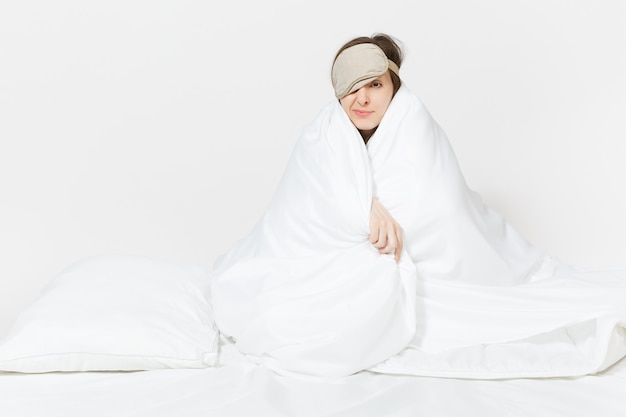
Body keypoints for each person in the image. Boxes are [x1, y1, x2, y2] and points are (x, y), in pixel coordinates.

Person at [211, 33, 626, 379]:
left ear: (393, 85)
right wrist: (363, 205)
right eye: (352, 87)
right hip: (329, 251)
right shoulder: (321, 135)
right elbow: (301, 206)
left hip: (449, 265)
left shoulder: (413, 125)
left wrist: (372, 215)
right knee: (283, 309)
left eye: (375, 85)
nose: (363, 98)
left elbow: (436, 208)